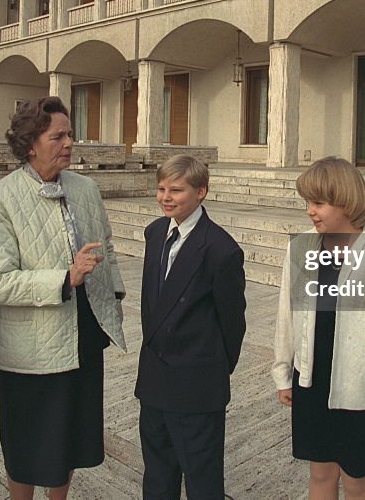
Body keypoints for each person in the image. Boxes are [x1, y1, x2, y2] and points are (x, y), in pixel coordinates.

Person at [0, 96, 126, 500]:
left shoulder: (86, 188)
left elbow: (107, 247)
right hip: (29, 346)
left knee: (70, 436)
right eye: (58, 136)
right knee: (26, 439)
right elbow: (1, 282)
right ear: (30, 144)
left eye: (70, 134)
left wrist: (113, 295)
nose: (69, 143)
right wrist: (66, 276)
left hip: (82, 334)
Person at [272, 157, 365, 500]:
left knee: (357, 481)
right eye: (307, 203)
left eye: (318, 203)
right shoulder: (300, 248)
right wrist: (284, 373)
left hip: (357, 394)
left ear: (346, 201)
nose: (310, 211)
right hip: (312, 384)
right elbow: (288, 315)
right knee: (320, 475)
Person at [135, 154, 247, 499]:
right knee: (157, 477)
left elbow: (233, 324)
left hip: (197, 387)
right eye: (161, 188)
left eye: (177, 190)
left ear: (201, 192)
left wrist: (209, 370)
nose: (166, 197)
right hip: (154, 382)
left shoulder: (221, 250)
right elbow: (150, 306)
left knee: (202, 480)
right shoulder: (155, 233)